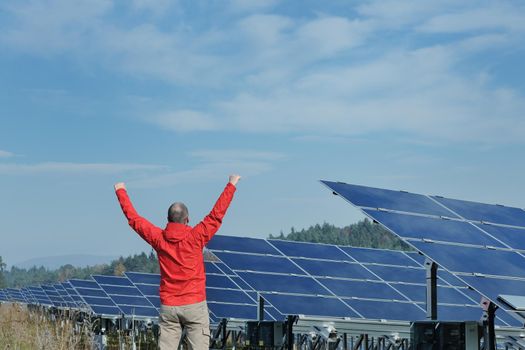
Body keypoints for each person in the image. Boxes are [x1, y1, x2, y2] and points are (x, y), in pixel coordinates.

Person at [114, 175, 241, 349]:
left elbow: (135, 220)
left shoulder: (158, 238)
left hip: (169, 306)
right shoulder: (196, 236)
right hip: (194, 304)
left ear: (168, 219)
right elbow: (216, 215)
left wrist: (121, 191)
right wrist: (231, 184)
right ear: (187, 219)